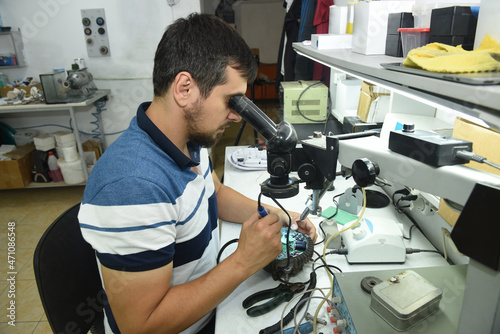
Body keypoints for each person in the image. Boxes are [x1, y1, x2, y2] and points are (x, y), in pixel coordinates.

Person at [78, 13, 317, 334]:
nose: (236, 116)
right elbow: (140, 326)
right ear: (185, 88)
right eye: (230, 101)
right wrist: (243, 261)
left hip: (209, 309)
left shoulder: (187, 138)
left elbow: (214, 195)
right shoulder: (131, 187)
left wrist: (283, 216)